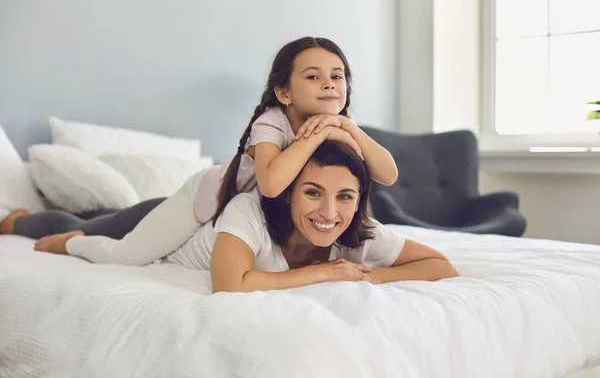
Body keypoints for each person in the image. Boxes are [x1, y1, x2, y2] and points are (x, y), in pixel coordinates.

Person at [26, 36, 399, 264]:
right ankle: (68, 240)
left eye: (337, 76)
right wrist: (316, 137)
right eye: (313, 76)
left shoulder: (339, 127)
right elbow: (271, 185)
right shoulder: (272, 122)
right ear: (284, 93)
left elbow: (388, 174)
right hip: (201, 201)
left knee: (119, 218)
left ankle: (85, 225)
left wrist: (348, 127)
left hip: (231, 216)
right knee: (124, 251)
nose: (329, 84)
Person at [37, 141, 459, 292]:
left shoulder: (355, 230)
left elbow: (441, 265)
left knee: (101, 217)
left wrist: (369, 277)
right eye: (312, 192)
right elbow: (231, 285)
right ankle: (57, 233)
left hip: (191, 218)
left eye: (345, 197)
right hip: (161, 220)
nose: (330, 213)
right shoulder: (248, 209)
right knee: (103, 242)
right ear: (287, 190)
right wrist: (324, 274)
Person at [0, 198, 165, 239]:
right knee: (77, 230)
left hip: (164, 208)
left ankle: (73, 213)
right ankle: (14, 223)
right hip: (163, 215)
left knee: (115, 218)